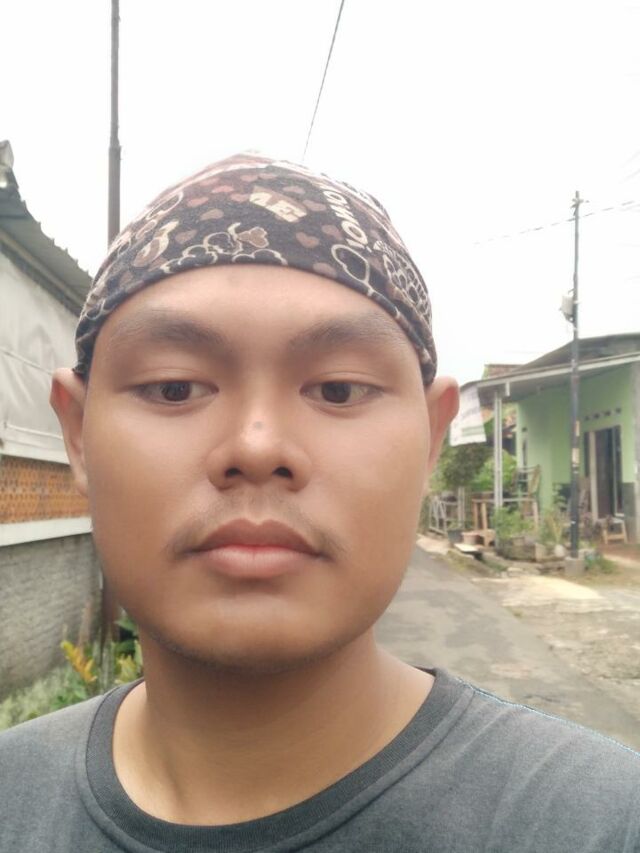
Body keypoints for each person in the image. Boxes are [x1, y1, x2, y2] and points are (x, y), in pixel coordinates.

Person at [0, 153, 638, 853]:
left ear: (431, 439)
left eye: (338, 389)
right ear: (78, 435)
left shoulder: (599, 822)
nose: (257, 446)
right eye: (174, 386)